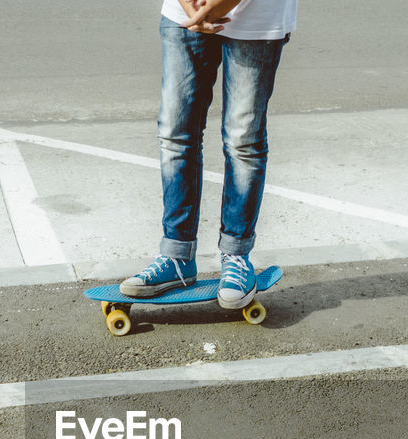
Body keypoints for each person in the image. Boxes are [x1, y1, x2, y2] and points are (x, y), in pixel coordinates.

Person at [120, 0, 297, 310]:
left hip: (257, 17)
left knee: (243, 139)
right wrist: (191, 7)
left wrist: (212, 6)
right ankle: (177, 256)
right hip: (184, 15)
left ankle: (236, 256)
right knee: (176, 133)